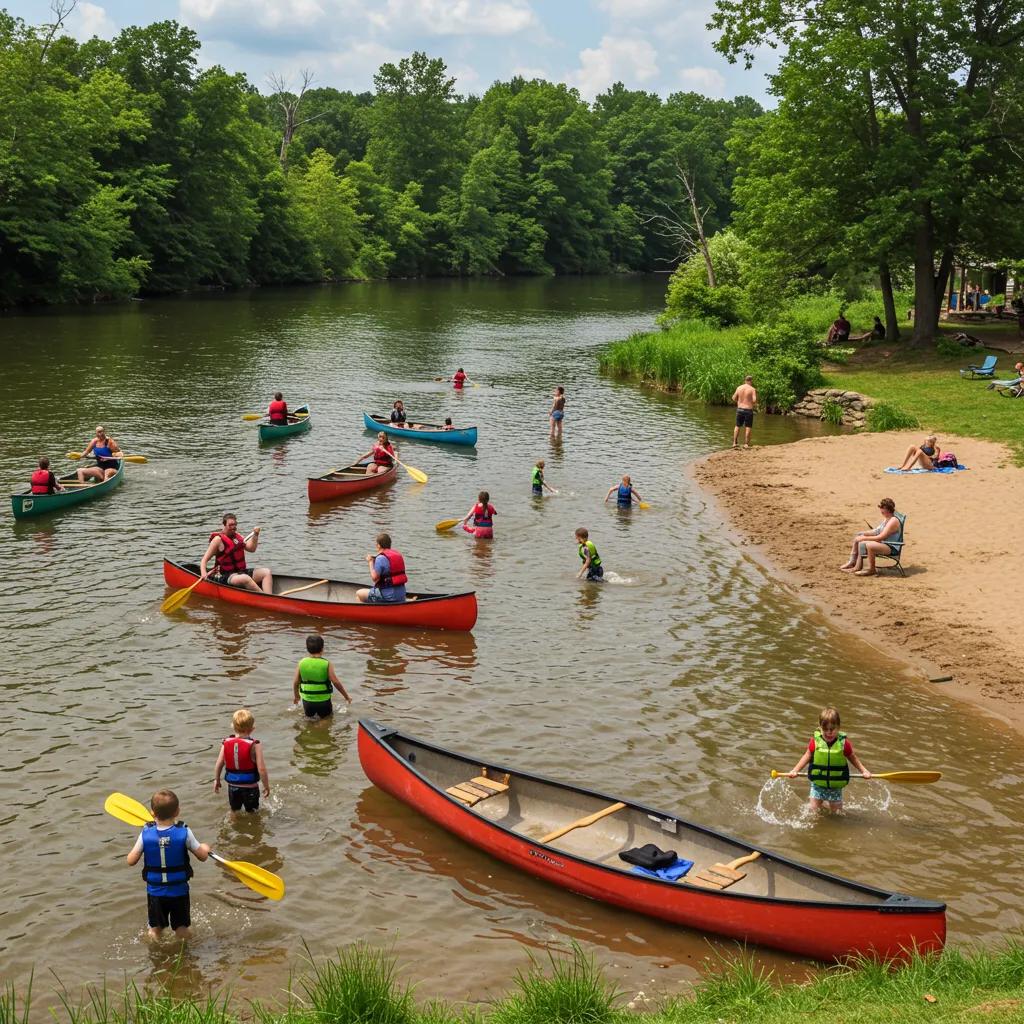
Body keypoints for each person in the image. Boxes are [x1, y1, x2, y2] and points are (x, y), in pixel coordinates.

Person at [125, 789, 211, 941]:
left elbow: (131, 860)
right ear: (177, 811)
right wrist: (206, 847)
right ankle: (186, 955)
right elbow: (202, 857)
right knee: (182, 928)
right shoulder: (184, 832)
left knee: (155, 928)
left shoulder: (145, 834)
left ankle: (156, 952)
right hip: (179, 892)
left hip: (155, 893)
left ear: (152, 813)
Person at [786, 707, 870, 812]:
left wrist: (864, 771)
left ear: (838, 728)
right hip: (818, 784)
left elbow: (853, 757)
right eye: (825, 729)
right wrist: (795, 770)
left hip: (835, 786)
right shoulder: (815, 742)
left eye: (832, 729)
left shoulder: (844, 744)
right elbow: (807, 756)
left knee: (837, 812)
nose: (829, 732)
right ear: (820, 727)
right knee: (813, 810)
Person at [200, 513, 273, 593]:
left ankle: (269, 596)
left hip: (240, 572)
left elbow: (251, 549)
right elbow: (204, 560)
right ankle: (265, 598)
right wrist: (204, 574)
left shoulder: (238, 537)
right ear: (224, 525)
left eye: (235, 525)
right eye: (230, 525)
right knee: (245, 578)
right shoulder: (217, 540)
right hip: (226, 575)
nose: (233, 527)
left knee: (266, 572)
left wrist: (255, 535)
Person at [213, 709, 270, 812]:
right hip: (250, 788)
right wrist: (266, 786)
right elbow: (261, 769)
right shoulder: (255, 745)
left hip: (232, 787)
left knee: (234, 811)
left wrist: (216, 780)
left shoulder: (226, 743)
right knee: (253, 813)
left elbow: (219, 763)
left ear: (233, 726)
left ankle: (233, 824)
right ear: (252, 729)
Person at [292, 635, 351, 718]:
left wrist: (296, 696)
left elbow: (295, 682)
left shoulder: (301, 663)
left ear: (307, 649)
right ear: (322, 648)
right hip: (323, 700)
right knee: (327, 719)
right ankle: (320, 725)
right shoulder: (326, 663)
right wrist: (346, 697)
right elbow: (335, 682)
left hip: (307, 701)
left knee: (309, 720)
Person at [839, 498, 902, 576]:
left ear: (887, 509)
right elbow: (876, 531)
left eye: (882, 509)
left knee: (869, 545)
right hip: (885, 544)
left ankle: (872, 569)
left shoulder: (893, 521)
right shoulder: (888, 518)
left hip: (891, 547)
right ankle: (855, 565)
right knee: (860, 540)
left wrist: (864, 538)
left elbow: (880, 537)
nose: (881, 511)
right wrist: (863, 534)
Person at [357, 532, 408, 603]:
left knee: (359, 593)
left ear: (378, 545)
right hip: (401, 595)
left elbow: (375, 579)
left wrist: (370, 562)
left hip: (388, 597)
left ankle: (368, 612)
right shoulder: (398, 555)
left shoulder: (380, 558)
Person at [731, 376, 757, 449]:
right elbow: (754, 400)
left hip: (739, 409)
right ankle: (746, 444)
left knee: (737, 426)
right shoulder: (752, 389)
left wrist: (739, 401)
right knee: (748, 427)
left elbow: (733, 398)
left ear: (745, 380)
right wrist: (750, 402)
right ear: (751, 381)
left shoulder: (739, 388)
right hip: (748, 410)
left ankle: (734, 443)